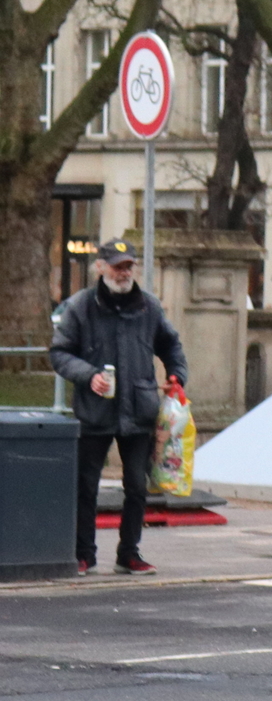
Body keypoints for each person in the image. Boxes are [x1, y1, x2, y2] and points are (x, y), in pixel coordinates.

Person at [49, 238, 187, 576]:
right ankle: (84, 553)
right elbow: (60, 353)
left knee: (138, 488)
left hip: (139, 411)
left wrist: (176, 376)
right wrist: (88, 375)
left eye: (129, 266)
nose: (124, 272)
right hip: (95, 411)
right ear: (100, 267)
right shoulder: (80, 306)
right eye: (117, 266)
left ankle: (129, 552)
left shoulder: (148, 306)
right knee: (86, 486)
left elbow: (171, 345)